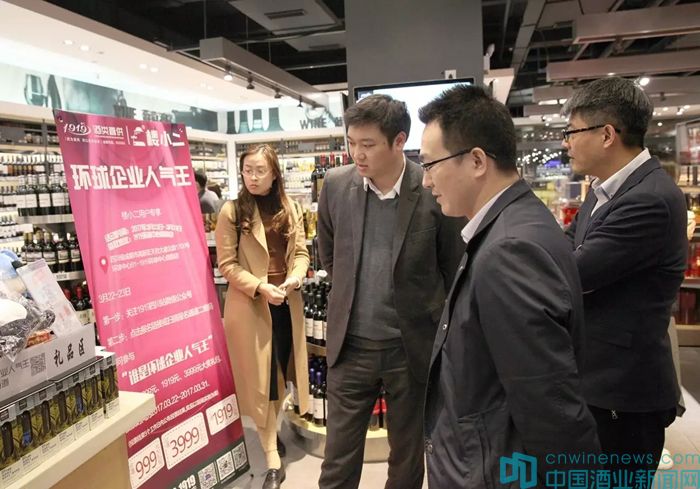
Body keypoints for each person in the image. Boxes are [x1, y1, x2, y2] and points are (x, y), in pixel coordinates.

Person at [419, 85, 600, 488]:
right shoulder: (511, 223)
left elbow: (550, 406)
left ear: (477, 161)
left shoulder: (509, 249)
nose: (426, 180)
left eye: (430, 164)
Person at [316, 94, 463, 489]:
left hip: (410, 348)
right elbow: (330, 255)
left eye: (368, 144)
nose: (357, 154)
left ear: (399, 141)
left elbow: (452, 265)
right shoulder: (337, 185)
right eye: (351, 142)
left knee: (408, 458)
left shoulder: (431, 187)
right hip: (351, 347)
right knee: (337, 460)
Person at [562, 77, 687, 487]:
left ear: (606, 135)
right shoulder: (605, 190)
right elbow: (565, 246)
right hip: (599, 380)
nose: (566, 142)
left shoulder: (649, 198)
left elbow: (574, 271)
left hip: (624, 393)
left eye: (572, 131)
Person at [215, 145, 310, 489]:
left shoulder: (290, 207)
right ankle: (271, 457)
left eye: (259, 171)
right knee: (261, 381)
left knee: (281, 373)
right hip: (252, 307)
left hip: (285, 302)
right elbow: (227, 264)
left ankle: (273, 432)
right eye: (247, 171)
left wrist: (295, 277)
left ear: (274, 173)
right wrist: (259, 287)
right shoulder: (232, 211)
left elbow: (301, 253)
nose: (252, 178)